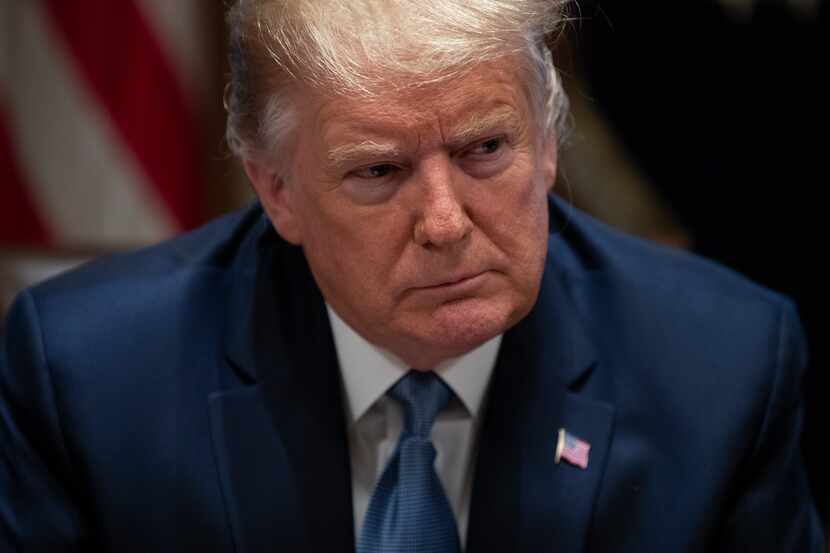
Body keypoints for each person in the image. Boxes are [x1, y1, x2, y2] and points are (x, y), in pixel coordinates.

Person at [0, 0, 823, 551]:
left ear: (546, 139)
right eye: (380, 171)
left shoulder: (724, 370)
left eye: (485, 150)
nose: (444, 223)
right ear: (276, 188)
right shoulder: (90, 381)